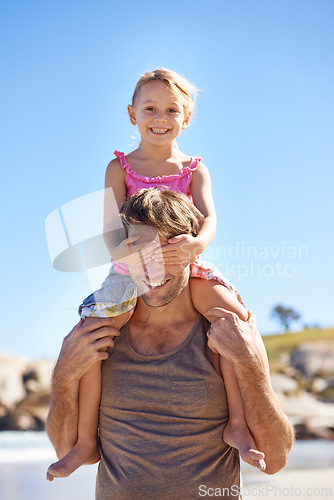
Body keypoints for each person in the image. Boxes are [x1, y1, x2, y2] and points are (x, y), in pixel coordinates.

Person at [47, 67, 276, 480]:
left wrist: (196, 246)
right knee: (95, 331)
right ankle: (84, 441)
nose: (160, 116)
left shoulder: (193, 169)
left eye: (172, 109)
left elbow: (208, 218)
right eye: (150, 107)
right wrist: (131, 256)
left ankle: (238, 424)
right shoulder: (119, 167)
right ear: (131, 113)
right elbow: (109, 230)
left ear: (186, 118)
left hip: (182, 261)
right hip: (129, 263)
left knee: (230, 317)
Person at [46, 188, 294, 499]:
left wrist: (249, 364)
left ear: (191, 250)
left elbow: (274, 460)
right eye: (142, 251)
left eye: (167, 251)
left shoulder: (228, 330)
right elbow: (64, 448)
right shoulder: (99, 332)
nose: (154, 267)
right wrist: (64, 377)